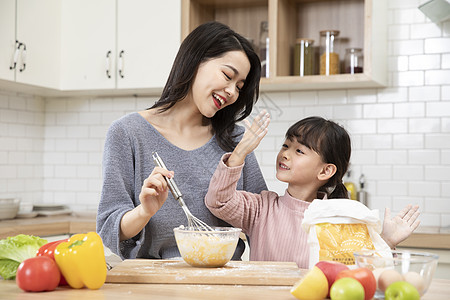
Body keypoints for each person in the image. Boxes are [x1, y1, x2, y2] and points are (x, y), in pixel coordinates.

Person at [96, 21, 267, 260]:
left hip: (223, 283)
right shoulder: (128, 133)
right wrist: (144, 211)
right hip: (153, 285)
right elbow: (109, 228)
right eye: (227, 75)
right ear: (195, 60)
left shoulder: (235, 141)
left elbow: (263, 220)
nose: (232, 92)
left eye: (239, 87)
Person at [205, 112, 421, 268]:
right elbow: (219, 201)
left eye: (299, 150)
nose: (285, 154)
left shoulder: (339, 220)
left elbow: (360, 271)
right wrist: (240, 152)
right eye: (285, 145)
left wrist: (386, 241)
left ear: (325, 170)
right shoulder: (262, 208)